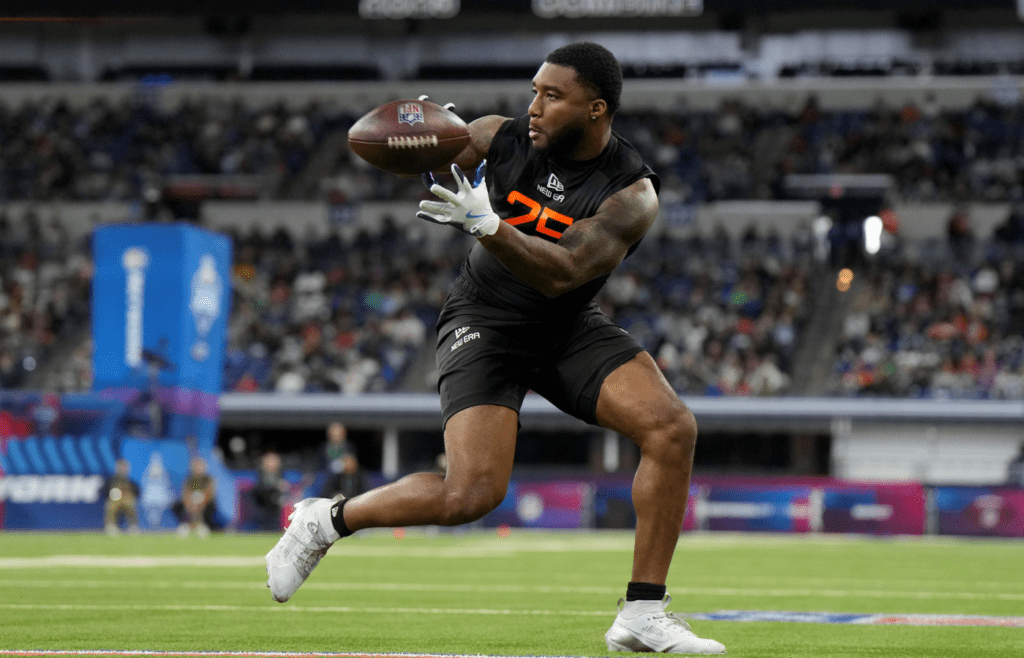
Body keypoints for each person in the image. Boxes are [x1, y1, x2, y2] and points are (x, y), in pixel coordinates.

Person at [265, 42, 725, 655]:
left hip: (564, 324)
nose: (534, 106)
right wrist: (424, 140)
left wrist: (488, 225)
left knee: (671, 428)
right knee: (471, 495)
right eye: (535, 90)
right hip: (485, 319)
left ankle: (642, 612)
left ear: (596, 109)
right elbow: (437, 157)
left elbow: (565, 272)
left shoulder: (630, 194)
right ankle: (323, 522)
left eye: (552, 96)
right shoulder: (499, 136)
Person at [172, 456, 217, 537]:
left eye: (200, 467)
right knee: (177, 506)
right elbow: (186, 494)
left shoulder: (208, 480)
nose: (198, 469)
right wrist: (190, 505)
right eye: (197, 467)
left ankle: (202, 525)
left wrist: (200, 503)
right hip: (191, 504)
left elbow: (209, 495)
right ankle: (187, 525)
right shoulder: (189, 480)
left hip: (205, 504)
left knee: (211, 506)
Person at [251, 451, 290, 531]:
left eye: (275, 460)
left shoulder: (281, 474)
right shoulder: (261, 475)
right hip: (262, 510)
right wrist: (276, 486)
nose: (274, 463)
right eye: (271, 460)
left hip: (275, 513)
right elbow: (262, 488)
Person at [103, 458, 140, 535]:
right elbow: (105, 492)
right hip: (115, 503)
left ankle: (133, 527)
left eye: (124, 467)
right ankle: (111, 527)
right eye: (120, 467)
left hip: (126, 503)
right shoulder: (111, 481)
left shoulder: (131, 482)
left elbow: (137, 493)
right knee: (110, 506)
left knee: (131, 504)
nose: (122, 469)